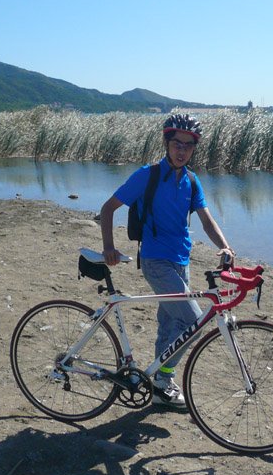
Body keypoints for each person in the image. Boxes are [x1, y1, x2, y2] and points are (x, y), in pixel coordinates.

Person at [100, 113, 234, 408]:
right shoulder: (146, 175)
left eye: (188, 145)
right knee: (194, 320)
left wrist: (225, 247)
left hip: (182, 260)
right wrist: (109, 247)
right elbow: (108, 208)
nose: (182, 150)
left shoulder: (191, 180)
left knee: (171, 323)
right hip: (155, 261)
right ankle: (161, 379)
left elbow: (207, 221)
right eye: (177, 143)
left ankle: (161, 383)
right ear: (166, 142)